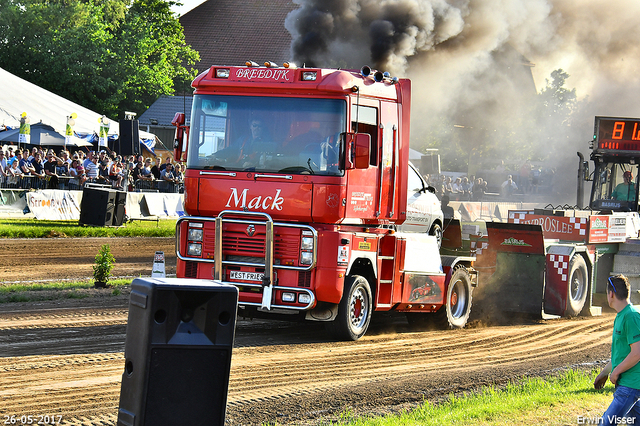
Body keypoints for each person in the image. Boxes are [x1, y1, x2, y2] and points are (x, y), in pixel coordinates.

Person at [594, 275, 640, 425]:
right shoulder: (621, 316)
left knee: (605, 423)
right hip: (629, 385)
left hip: (630, 386)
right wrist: (605, 373)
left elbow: (637, 353)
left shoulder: (631, 316)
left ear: (611, 294)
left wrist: (616, 371)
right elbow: (621, 355)